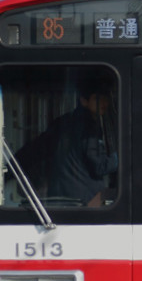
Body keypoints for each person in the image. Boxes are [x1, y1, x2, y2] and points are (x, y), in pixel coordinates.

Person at [21, 77, 118, 206]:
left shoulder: (64, 121)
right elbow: (99, 166)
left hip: (60, 196)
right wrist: (121, 158)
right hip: (85, 200)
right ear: (84, 101)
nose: (104, 103)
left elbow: (35, 149)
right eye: (97, 98)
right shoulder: (88, 127)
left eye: (105, 99)